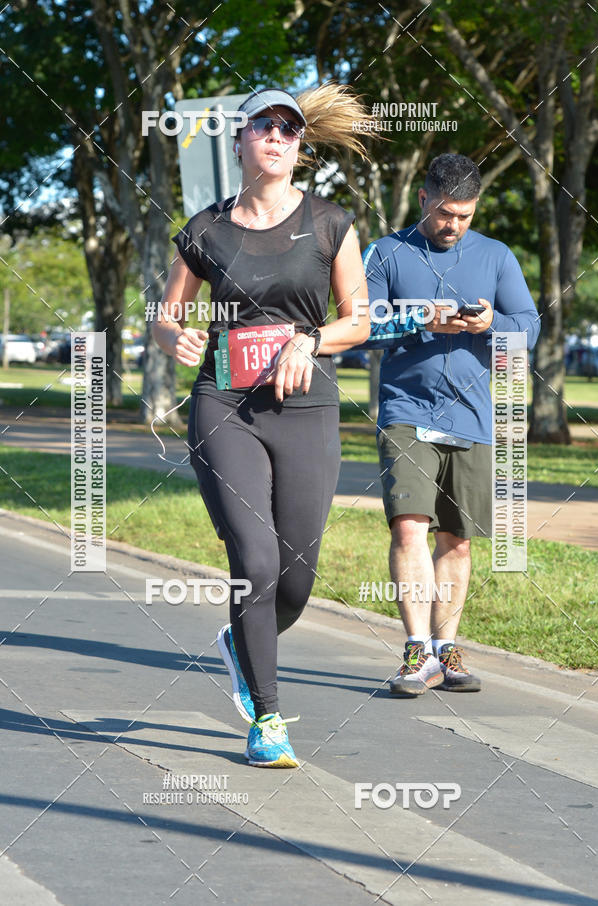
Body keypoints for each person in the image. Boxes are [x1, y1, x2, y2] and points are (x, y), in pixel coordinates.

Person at [152, 84, 372, 766]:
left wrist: (309, 340)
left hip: (307, 412)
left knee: (297, 577)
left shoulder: (332, 223)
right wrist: (174, 339)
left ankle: (239, 642)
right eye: (263, 126)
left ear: (300, 148)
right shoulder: (205, 229)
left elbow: (357, 318)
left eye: (289, 129)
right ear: (241, 139)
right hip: (226, 407)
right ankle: (268, 719)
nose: (276, 137)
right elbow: (166, 315)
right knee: (256, 560)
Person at [364, 153, 539, 696]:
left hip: (473, 416)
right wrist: (422, 319)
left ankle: (446, 650)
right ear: (423, 199)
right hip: (406, 412)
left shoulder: (497, 255)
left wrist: (492, 324)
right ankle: (416, 651)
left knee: (458, 542)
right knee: (409, 526)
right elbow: (360, 324)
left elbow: (528, 327)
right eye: (444, 213)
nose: (454, 225)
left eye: (464, 216)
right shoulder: (387, 253)